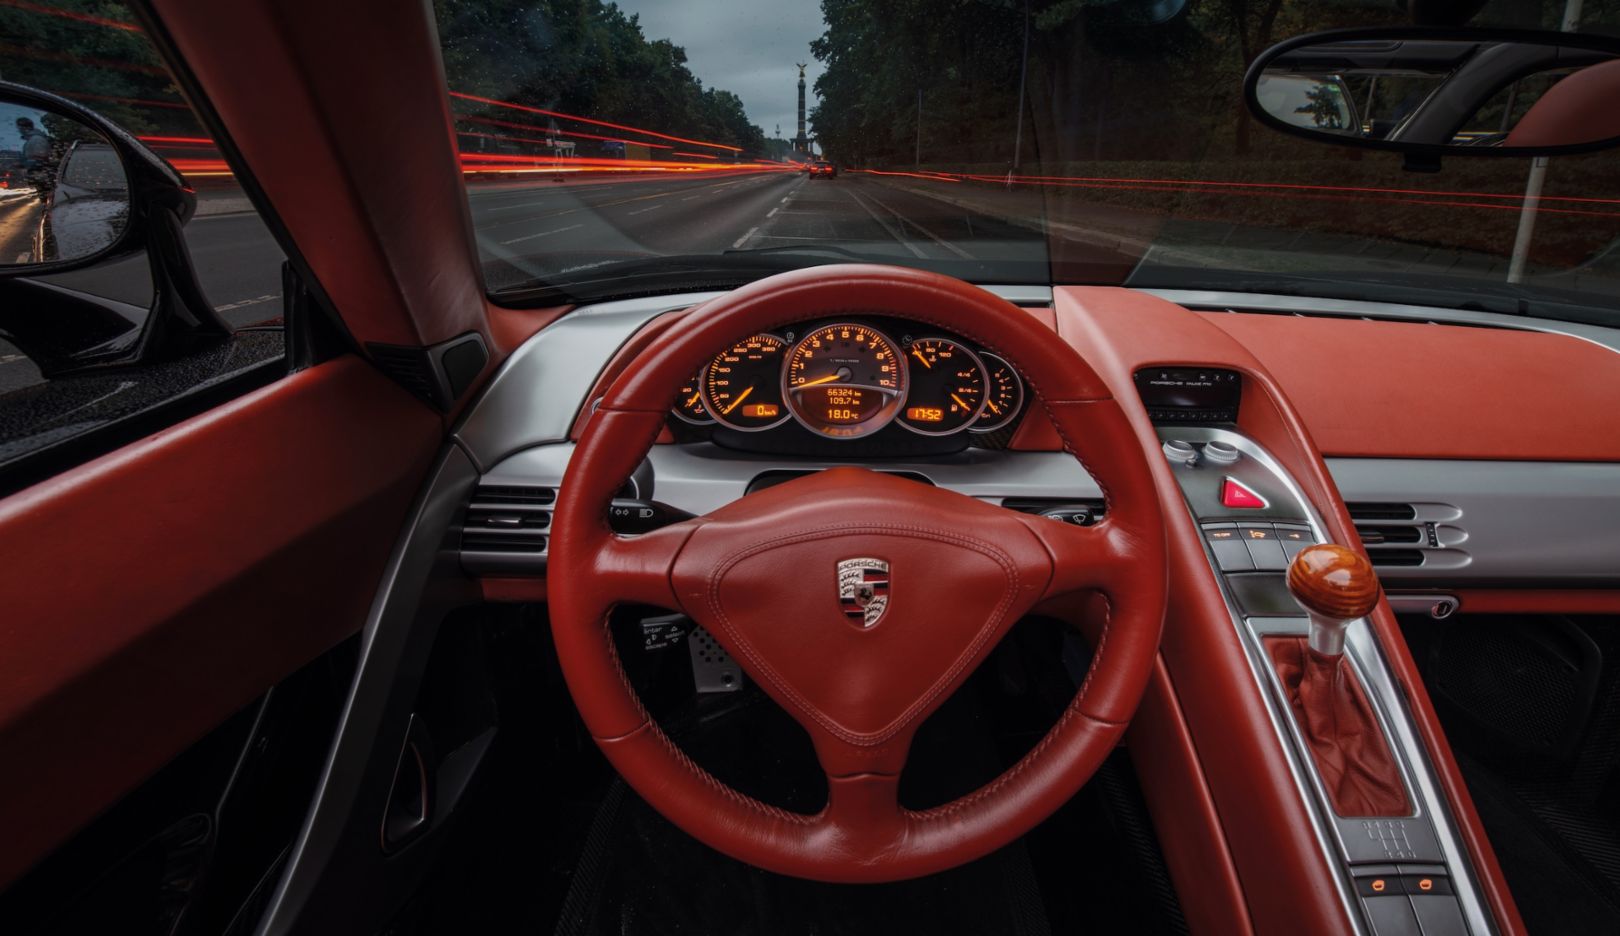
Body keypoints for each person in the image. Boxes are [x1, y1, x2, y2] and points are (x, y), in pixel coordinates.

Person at [16, 116, 54, 201]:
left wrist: (22, 164)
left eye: (19, 127)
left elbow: (41, 160)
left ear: (24, 127)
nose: (19, 130)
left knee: (47, 200)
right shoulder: (31, 140)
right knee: (46, 199)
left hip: (42, 177)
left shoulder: (36, 139)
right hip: (39, 177)